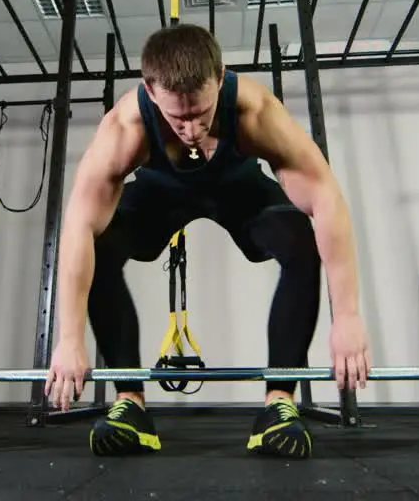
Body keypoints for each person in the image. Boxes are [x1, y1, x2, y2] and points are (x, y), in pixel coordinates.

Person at [43, 23, 370, 459]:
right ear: (150, 89)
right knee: (102, 249)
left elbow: (327, 200)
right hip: (159, 196)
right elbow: (78, 227)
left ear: (219, 76)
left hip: (240, 191)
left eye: (202, 113)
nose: (192, 129)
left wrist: (346, 316)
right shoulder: (126, 126)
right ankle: (130, 404)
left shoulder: (255, 112)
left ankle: (279, 403)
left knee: (300, 243)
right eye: (178, 118)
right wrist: (69, 339)